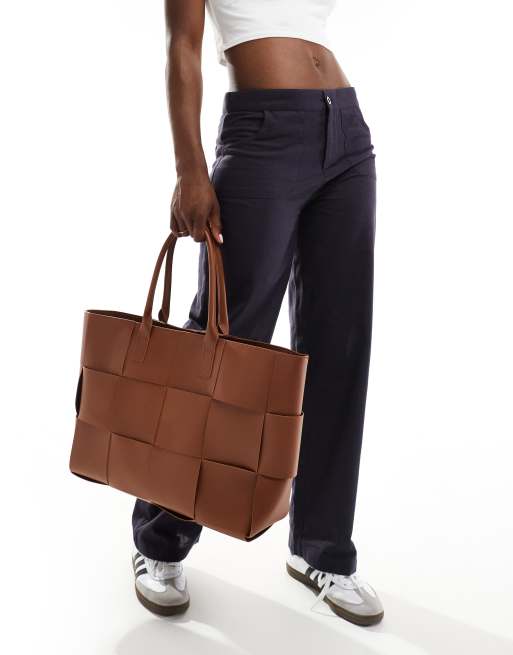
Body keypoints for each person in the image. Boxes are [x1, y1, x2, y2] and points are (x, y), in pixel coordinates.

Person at [131, 0, 383, 626]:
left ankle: (322, 549)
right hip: (261, 132)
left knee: (339, 350)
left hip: (346, 134)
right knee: (222, 347)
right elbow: (182, 45)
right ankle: (160, 540)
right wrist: (190, 169)